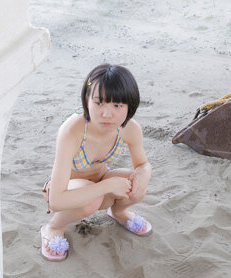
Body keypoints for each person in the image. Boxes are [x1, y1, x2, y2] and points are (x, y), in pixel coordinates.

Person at [40, 64, 153, 261]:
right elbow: (56, 200)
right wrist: (107, 186)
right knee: (92, 200)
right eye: (99, 103)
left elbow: (142, 164)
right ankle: (54, 227)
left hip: (100, 182)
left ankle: (118, 212)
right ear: (87, 100)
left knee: (135, 181)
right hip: (67, 191)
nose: (107, 114)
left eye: (117, 105)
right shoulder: (72, 131)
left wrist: (143, 176)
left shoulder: (130, 129)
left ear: (130, 106)